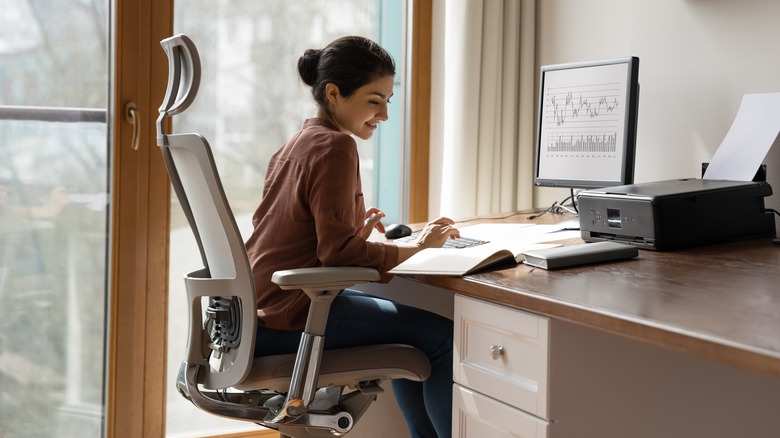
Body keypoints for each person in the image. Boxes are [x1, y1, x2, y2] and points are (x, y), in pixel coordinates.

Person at [245, 35, 459, 437]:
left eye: (387, 102)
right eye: (374, 101)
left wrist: (355, 235)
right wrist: (415, 246)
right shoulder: (337, 146)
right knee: (444, 340)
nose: (384, 115)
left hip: (259, 311)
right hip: (292, 315)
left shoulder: (298, 142)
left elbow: (306, 239)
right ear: (334, 93)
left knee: (416, 344)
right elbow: (337, 251)